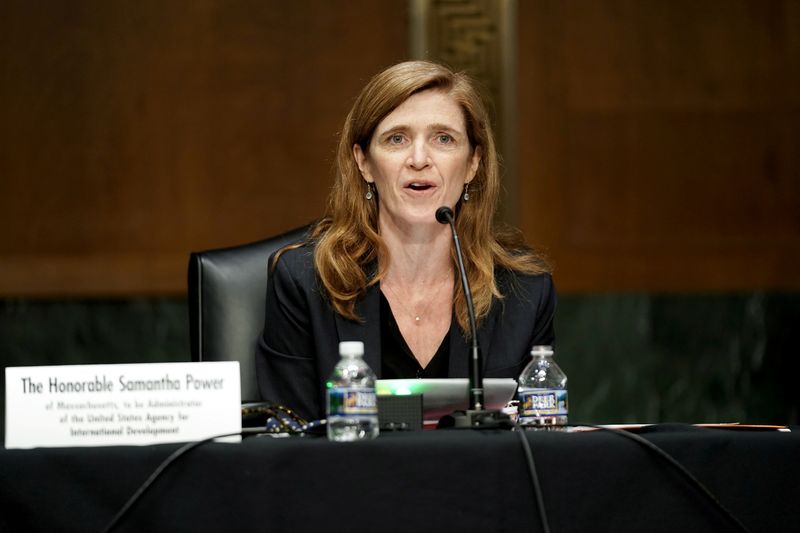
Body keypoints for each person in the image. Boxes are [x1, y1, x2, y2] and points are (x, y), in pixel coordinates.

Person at [256, 60, 555, 422]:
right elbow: (289, 439)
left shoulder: (525, 291)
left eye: (443, 139)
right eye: (396, 139)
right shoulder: (305, 281)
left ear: (473, 163)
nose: (418, 159)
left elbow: (538, 441)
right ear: (364, 162)